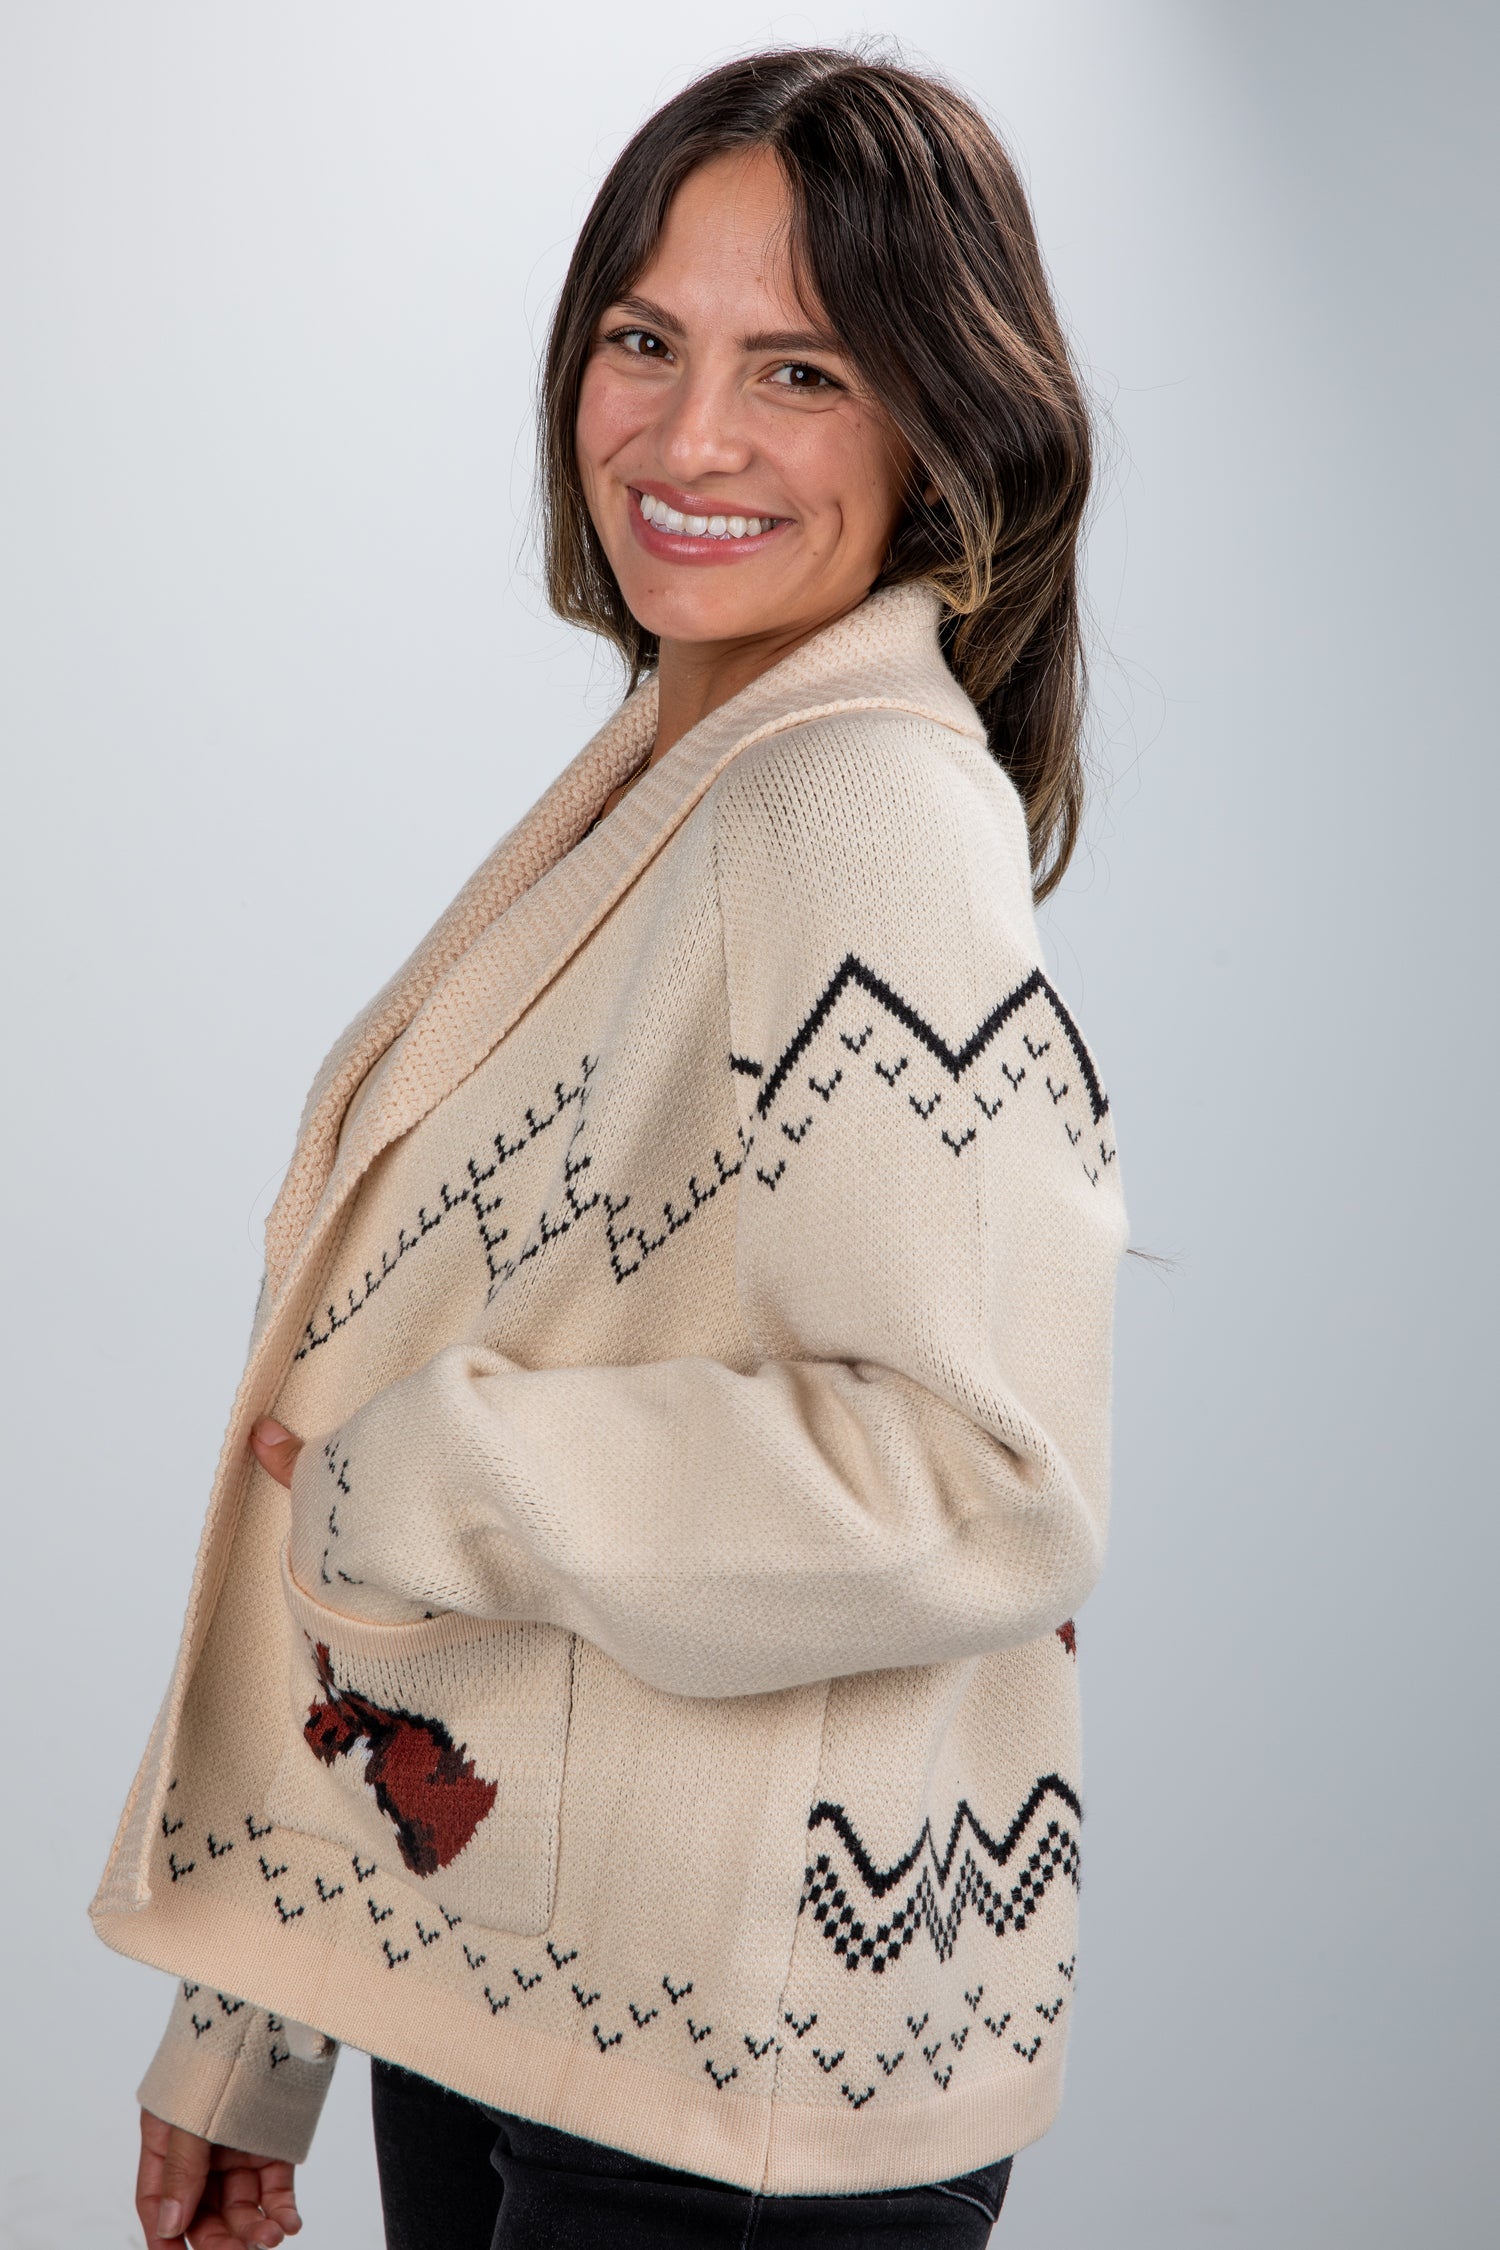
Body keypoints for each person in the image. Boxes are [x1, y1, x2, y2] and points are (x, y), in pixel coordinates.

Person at [95, 46, 1127, 2250]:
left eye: (804, 369)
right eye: (644, 344)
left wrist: (420, 1482)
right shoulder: (684, 769)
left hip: (717, 2073)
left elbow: (973, 1480)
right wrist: (255, 2016)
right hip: (524, 1985)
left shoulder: (847, 811)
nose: (690, 440)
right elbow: (430, 1323)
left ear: (946, 424)